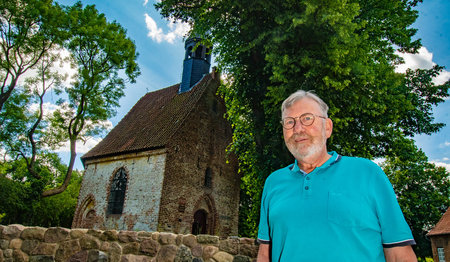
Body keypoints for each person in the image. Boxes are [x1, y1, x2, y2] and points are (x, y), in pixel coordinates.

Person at [257, 90, 417, 261]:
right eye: (289, 122)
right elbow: (264, 254)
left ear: (327, 127)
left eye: (307, 118)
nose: (298, 129)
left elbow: (399, 254)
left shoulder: (367, 173)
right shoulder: (273, 183)